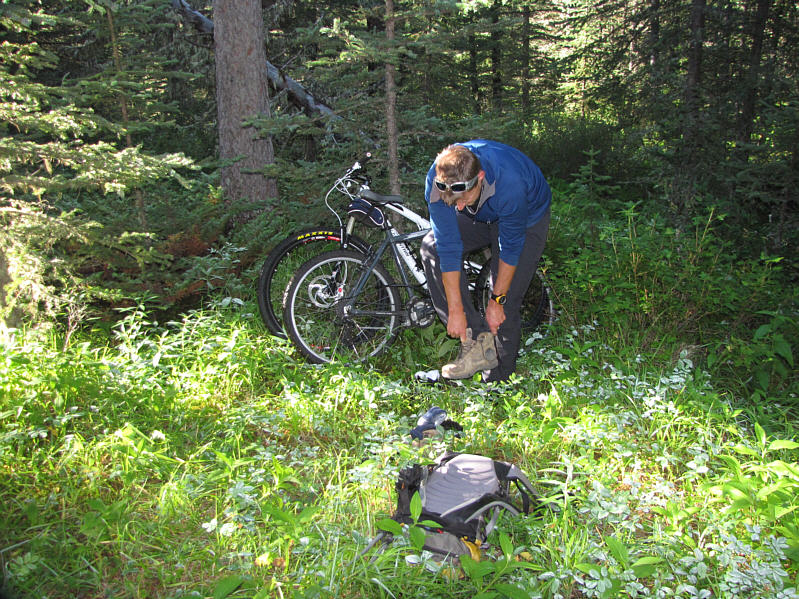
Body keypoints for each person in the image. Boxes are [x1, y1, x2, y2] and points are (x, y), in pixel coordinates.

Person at [420, 139, 551, 382]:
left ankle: (498, 385)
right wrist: (455, 310)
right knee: (433, 248)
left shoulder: (510, 183)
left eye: (462, 198)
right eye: (452, 201)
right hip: (481, 210)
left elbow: (510, 249)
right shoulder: (439, 180)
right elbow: (448, 246)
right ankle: (478, 342)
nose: (457, 207)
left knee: (505, 300)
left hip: (526, 216)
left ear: (479, 177)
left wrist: (496, 301)